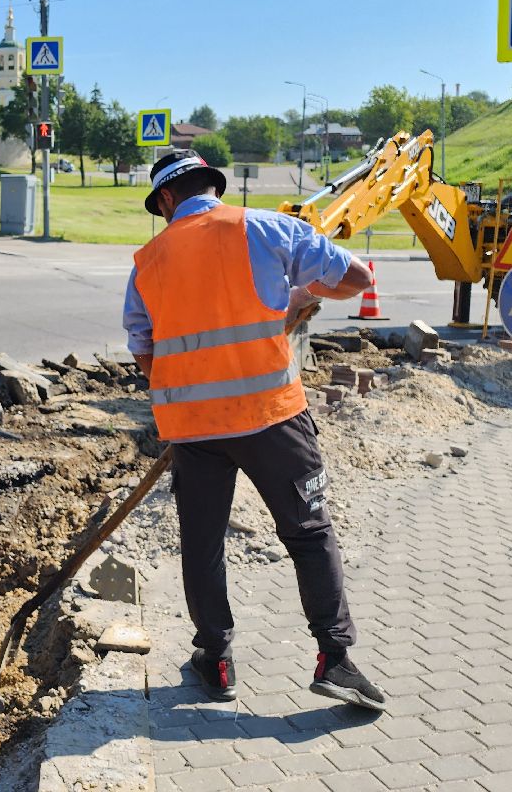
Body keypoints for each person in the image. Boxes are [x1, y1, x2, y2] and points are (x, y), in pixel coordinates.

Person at [122, 150, 386, 712]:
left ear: (167, 199)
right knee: (309, 533)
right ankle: (335, 659)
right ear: (213, 186)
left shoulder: (147, 261)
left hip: (192, 430)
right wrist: (303, 296)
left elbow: (145, 352)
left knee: (203, 544)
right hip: (273, 418)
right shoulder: (267, 227)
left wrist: (189, 391)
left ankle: (216, 661)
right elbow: (358, 277)